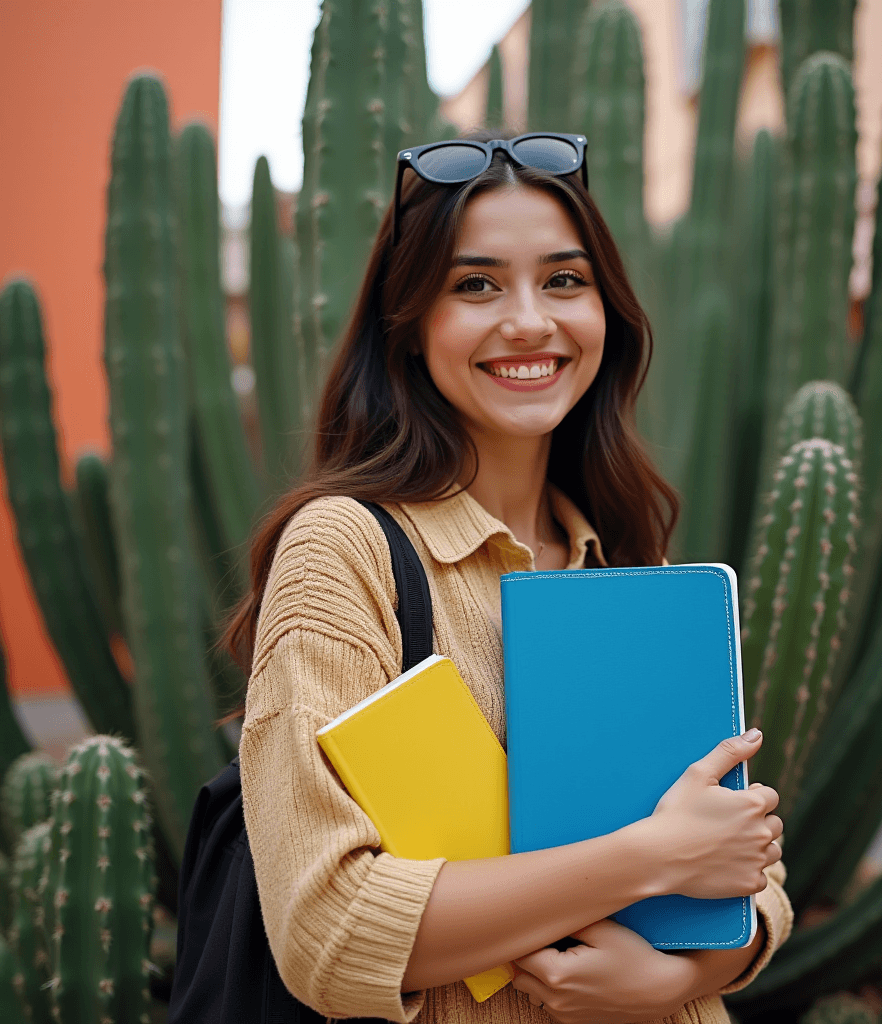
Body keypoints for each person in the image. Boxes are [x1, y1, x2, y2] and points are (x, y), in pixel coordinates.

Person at [224, 129, 791, 1024]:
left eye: (564, 280)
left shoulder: (623, 555)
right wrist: (649, 858)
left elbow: (747, 861)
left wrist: (684, 978)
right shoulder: (345, 550)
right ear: (408, 327)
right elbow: (324, 932)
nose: (530, 320)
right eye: (475, 284)